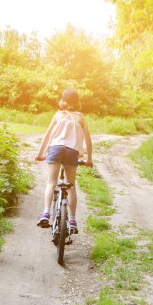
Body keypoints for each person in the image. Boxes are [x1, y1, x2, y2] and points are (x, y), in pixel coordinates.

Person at [35, 88, 93, 233]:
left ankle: (46, 213)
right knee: (71, 186)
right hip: (71, 152)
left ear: (63, 101)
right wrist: (89, 160)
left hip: (55, 148)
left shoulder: (57, 116)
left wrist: (40, 154)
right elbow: (88, 141)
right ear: (77, 102)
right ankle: (72, 221)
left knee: (51, 182)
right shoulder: (81, 118)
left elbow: (47, 136)